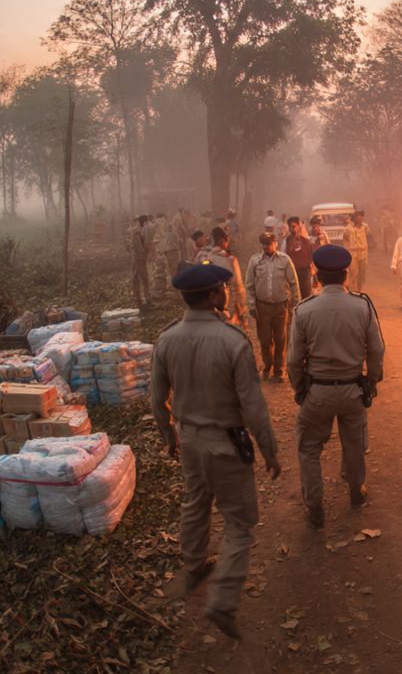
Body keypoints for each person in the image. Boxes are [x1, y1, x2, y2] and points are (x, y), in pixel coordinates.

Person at [150, 263, 283, 640]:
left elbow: (157, 398)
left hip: (190, 441)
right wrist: (269, 450)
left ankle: (194, 565)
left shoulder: (167, 339)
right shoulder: (232, 341)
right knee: (239, 522)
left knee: (195, 503)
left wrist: (169, 437)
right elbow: (252, 405)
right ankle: (223, 600)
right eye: (223, 288)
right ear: (212, 296)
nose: (226, 292)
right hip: (227, 443)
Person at [287, 245, 385, 529]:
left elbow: (293, 359)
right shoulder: (362, 305)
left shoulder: (304, 310)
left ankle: (315, 505)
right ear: (346, 275)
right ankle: (356, 491)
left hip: (317, 391)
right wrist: (372, 381)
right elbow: (376, 350)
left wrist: (299, 388)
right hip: (353, 389)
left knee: (309, 448)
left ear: (316, 275)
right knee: (353, 444)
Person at [245, 233, 300, 382]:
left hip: (281, 305)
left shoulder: (285, 260)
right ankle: (267, 366)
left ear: (275, 243)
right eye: (264, 243)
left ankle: (278, 369)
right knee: (264, 339)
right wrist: (251, 305)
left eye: (269, 243)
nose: (266, 246)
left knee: (280, 338)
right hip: (262, 306)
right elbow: (249, 285)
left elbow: (294, 283)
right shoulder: (255, 260)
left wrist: (296, 303)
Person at [199, 227, 249, 325]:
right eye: (227, 241)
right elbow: (238, 287)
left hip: (209, 305)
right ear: (222, 241)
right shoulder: (230, 259)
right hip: (227, 305)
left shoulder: (204, 258)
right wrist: (242, 308)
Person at [283, 216, 316, 300]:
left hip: (305, 273)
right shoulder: (286, 242)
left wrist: (312, 271)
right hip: (292, 272)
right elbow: (283, 259)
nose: (292, 229)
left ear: (298, 227)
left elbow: (311, 257)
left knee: (306, 296)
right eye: (290, 227)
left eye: (294, 226)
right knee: (294, 296)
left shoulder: (306, 241)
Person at [126, 215, 153, 306]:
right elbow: (137, 245)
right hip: (138, 257)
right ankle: (142, 298)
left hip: (140, 257)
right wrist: (144, 254)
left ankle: (143, 298)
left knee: (140, 277)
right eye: (147, 221)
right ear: (144, 222)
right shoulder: (136, 232)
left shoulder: (141, 230)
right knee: (139, 278)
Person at [343, 210, 370, 292]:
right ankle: (353, 291)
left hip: (363, 253)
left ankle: (360, 290)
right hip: (353, 253)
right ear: (354, 217)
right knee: (354, 273)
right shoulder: (348, 228)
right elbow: (345, 240)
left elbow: (368, 237)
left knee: (362, 274)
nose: (360, 218)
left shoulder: (365, 227)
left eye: (361, 216)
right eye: (358, 216)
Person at [159, 214, 182, 291]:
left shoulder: (165, 235)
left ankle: (172, 283)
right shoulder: (173, 234)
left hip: (167, 252)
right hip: (173, 251)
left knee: (170, 268)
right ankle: (175, 284)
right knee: (174, 268)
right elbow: (179, 241)